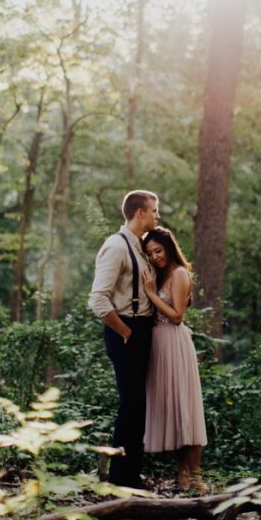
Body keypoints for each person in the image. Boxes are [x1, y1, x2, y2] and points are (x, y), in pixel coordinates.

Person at [88, 190, 160, 487]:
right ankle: (121, 477)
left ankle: (131, 474)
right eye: (154, 211)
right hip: (125, 332)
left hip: (140, 331)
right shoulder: (117, 247)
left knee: (139, 405)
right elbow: (98, 300)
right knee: (131, 404)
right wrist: (126, 331)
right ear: (140, 212)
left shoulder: (140, 247)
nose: (157, 216)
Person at [142, 226, 208, 493]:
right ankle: (182, 476)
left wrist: (151, 294)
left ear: (168, 248)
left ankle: (196, 478)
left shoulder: (179, 274)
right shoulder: (159, 275)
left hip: (175, 342)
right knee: (173, 410)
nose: (155, 256)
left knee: (187, 408)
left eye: (158, 250)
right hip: (159, 346)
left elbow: (177, 315)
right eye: (150, 253)